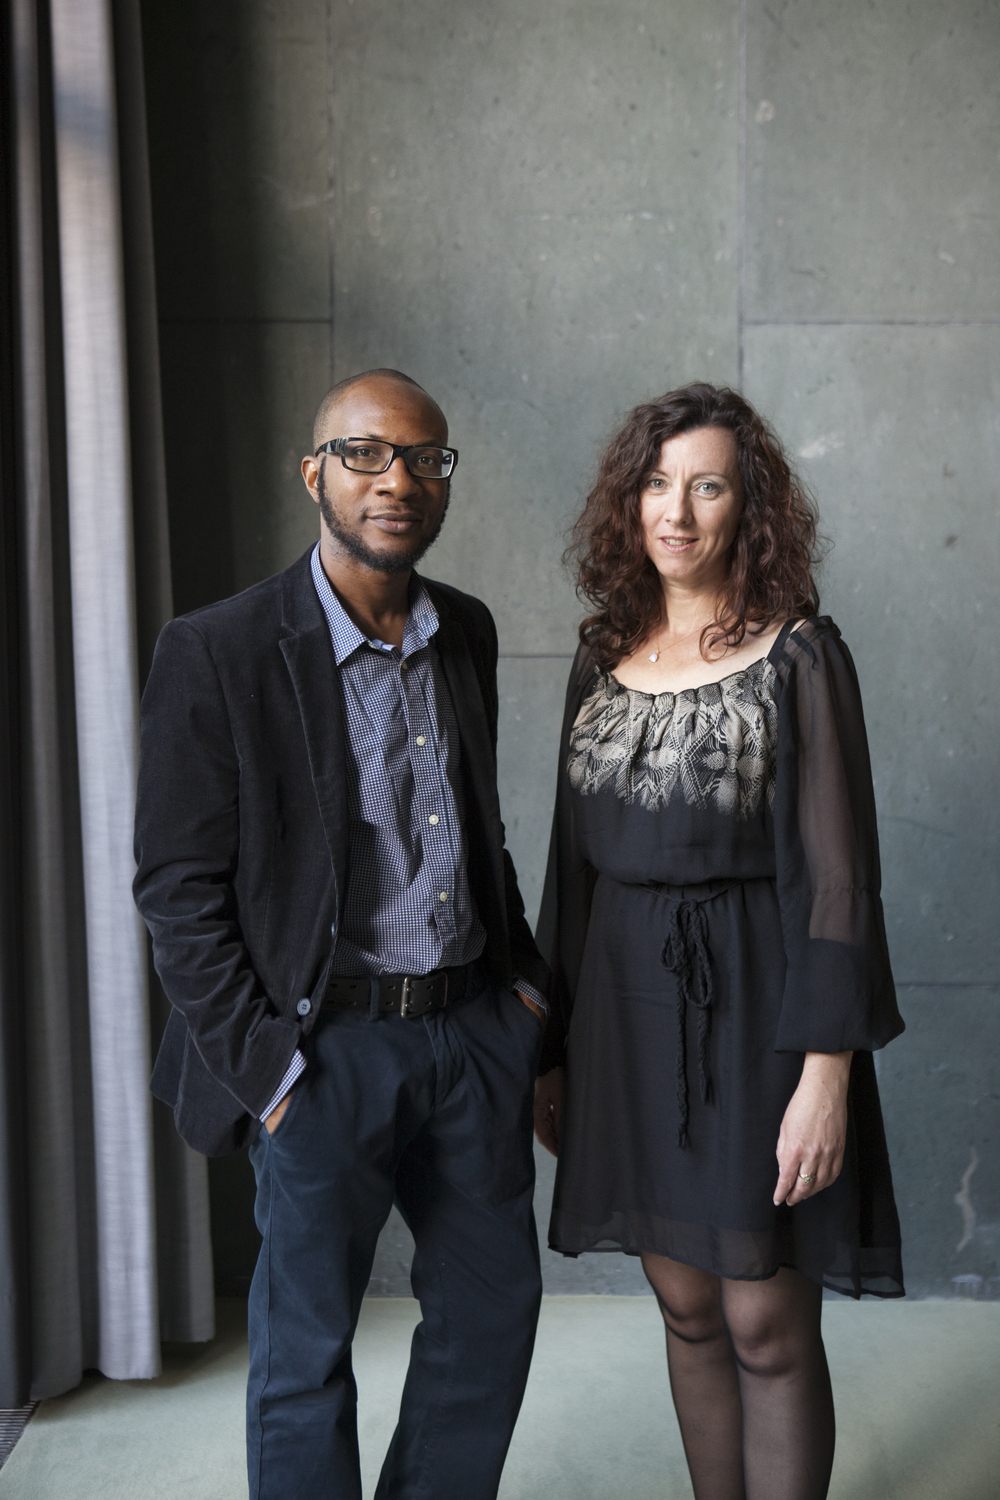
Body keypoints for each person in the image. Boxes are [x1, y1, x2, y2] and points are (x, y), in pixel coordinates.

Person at [134, 368, 550, 1500]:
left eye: (423, 458)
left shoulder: (465, 630)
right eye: (365, 454)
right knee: (308, 1350)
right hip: (321, 1054)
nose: (396, 480)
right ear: (313, 473)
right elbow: (176, 888)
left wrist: (525, 1003)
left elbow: (478, 833)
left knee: (491, 1316)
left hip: (470, 1034)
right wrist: (270, 1071)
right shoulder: (217, 649)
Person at [533, 383, 904, 1500]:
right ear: (628, 501)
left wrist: (826, 1077)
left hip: (759, 1014)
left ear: (750, 508)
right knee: (687, 1307)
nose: (677, 511)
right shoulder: (600, 656)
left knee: (762, 1322)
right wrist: (550, 1052)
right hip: (622, 1016)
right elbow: (568, 874)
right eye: (657, 483)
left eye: (707, 486)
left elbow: (840, 883)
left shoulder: (801, 656)